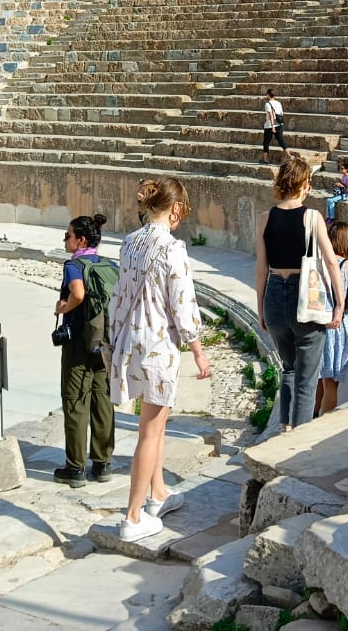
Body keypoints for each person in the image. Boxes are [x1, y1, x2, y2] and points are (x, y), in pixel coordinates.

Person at [109, 178, 211, 543]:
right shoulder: (172, 249)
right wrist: (198, 350)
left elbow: (119, 296)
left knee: (156, 420)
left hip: (130, 340)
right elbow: (183, 306)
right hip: (157, 345)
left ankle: (158, 493)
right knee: (150, 430)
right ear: (175, 209)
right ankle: (133, 517)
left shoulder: (130, 242)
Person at [256, 155, 344, 432]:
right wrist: (339, 304)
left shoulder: (265, 218)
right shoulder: (312, 217)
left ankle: (284, 430)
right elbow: (331, 262)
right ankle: (297, 442)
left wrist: (261, 309)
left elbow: (261, 268)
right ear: (304, 184)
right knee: (308, 378)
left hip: (273, 297)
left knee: (289, 369)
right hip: (304, 295)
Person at [53, 213, 116, 487]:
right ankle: (102, 464)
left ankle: (75, 468)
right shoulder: (108, 265)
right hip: (103, 341)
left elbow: (77, 293)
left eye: (68, 235)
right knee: (102, 400)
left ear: (81, 240)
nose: (65, 240)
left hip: (78, 342)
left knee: (76, 400)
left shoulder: (74, 265)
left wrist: (63, 308)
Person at [315, 221, 348, 417]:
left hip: (316, 322)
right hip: (337, 325)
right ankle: (323, 423)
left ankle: (312, 417)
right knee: (331, 381)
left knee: (317, 378)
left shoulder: (318, 262)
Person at [262, 90, 287, 162]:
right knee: (281, 141)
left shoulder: (267, 104)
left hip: (270, 126)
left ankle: (265, 160)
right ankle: (289, 155)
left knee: (266, 143)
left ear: (268, 95)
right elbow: (281, 114)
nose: (266, 95)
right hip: (279, 124)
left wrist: (273, 126)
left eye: (267, 94)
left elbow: (270, 115)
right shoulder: (278, 103)